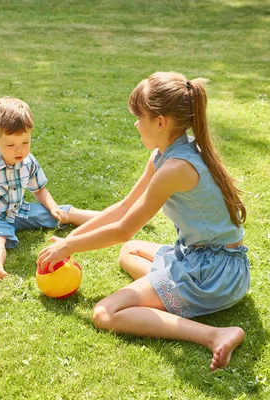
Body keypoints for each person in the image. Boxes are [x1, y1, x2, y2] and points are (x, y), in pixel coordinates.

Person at [37, 72, 250, 371]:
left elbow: (124, 229)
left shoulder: (175, 168)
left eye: (140, 116)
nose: (136, 123)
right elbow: (124, 207)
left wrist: (69, 246)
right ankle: (168, 292)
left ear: (160, 121)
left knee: (105, 313)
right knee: (131, 252)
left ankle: (215, 335)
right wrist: (68, 242)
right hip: (212, 260)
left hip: (213, 274)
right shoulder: (166, 154)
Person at [0, 96, 98, 281]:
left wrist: (53, 207)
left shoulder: (28, 161)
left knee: (61, 212)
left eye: (25, 143)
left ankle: (109, 219)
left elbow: (39, 190)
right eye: (11, 145)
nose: (19, 151)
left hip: (19, 210)